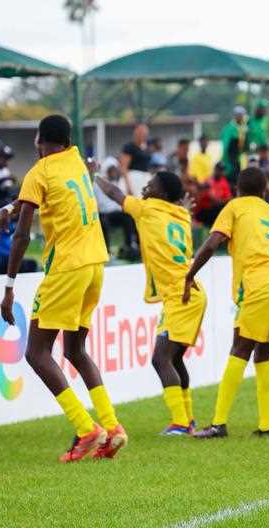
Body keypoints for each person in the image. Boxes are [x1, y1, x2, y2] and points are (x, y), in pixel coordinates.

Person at [0, 114, 124, 462]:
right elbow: (37, 198)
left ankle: (86, 429)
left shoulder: (39, 172)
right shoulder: (76, 161)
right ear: (66, 141)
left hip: (67, 268)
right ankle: (112, 428)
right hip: (95, 264)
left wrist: (9, 287)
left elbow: (22, 236)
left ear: (39, 141)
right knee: (76, 350)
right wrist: (9, 207)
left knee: (37, 352)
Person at [184, 167, 269, 439]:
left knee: (239, 350)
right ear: (264, 190)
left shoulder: (235, 207)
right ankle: (267, 426)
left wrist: (190, 274)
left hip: (260, 285)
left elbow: (212, 243)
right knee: (263, 355)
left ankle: (218, 424)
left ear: (237, 189)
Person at [95, 171, 206, 435]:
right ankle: (187, 420)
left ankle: (180, 423)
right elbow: (177, 209)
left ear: (163, 194)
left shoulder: (146, 209)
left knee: (160, 359)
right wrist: (179, 204)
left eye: (151, 184)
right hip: (189, 292)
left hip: (181, 295)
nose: (145, 187)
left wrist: (93, 175)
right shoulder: (181, 214)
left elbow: (114, 193)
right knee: (174, 359)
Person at [94, 158, 139, 260]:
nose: (114, 172)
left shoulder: (118, 182)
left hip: (117, 213)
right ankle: (106, 251)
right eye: (112, 170)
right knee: (102, 221)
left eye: (115, 170)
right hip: (104, 214)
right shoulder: (98, 184)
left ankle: (130, 246)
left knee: (130, 217)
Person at [194, 162, 232, 227]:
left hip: (216, 209)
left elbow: (228, 197)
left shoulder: (224, 182)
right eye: (219, 170)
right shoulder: (208, 180)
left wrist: (221, 201)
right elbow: (204, 193)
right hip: (205, 209)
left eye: (222, 170)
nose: (220, 172)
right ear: (215, 169)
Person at [120, 123, 151, 196]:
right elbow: (124, 168)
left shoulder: (145, 147)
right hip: (133, 178)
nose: (145, 137)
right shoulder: (129, 147)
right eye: (143, 134)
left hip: (144, 179)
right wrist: (128, 187)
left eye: (146, 135)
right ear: (137, 134)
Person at [220, 106, 248, 182]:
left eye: (242, 115)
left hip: (239, 161)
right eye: (239, 115)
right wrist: (229, 163)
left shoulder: (243, 128)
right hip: (230, 162)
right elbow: (226, 147)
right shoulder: (229, 128)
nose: (241, 117)